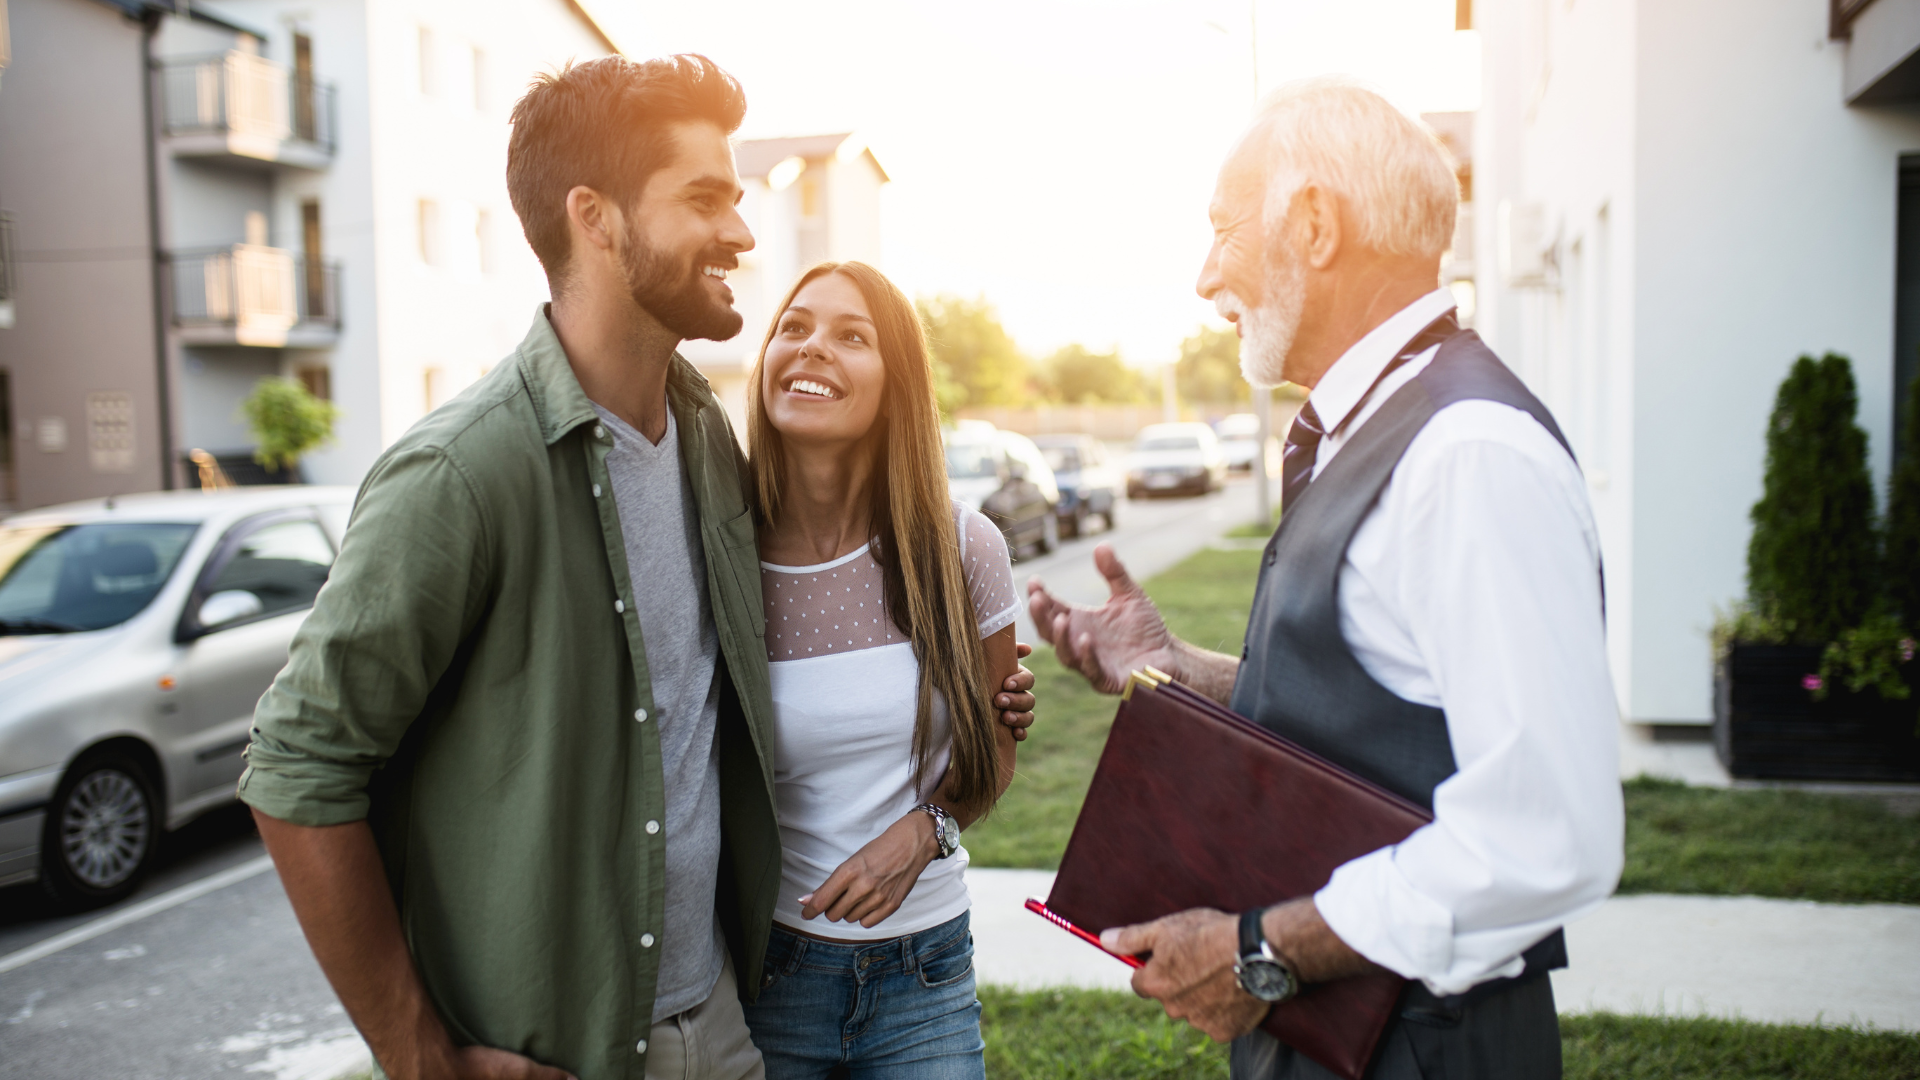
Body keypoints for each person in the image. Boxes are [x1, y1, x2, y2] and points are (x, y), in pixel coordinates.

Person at [238, 57, 1035, 1080]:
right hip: (573, 1046)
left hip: (731, 1019)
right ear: (597, 218)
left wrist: (970, 715)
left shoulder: (706, 441)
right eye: (707, 200)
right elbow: (298, 769)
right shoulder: (462, 472)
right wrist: (416, 1053)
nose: (745, 236)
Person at [1026, 78, 1624, 1079]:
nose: (1206, 274)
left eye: (1223, 231)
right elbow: (1383, 703)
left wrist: (1257, 950)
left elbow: (1545, 833)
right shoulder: (1377, 429)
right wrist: (1179, 668)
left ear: (1312, 224)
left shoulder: (1469, 456)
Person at [735, 261, 1021, 1080]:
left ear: (897, 383)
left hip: (924, 975)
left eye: (850, 336)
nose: (812, 347)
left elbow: (996, 751)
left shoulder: (963, 548)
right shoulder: (722, 549)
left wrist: (924, 831)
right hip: (770, 974)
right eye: (794, 327)